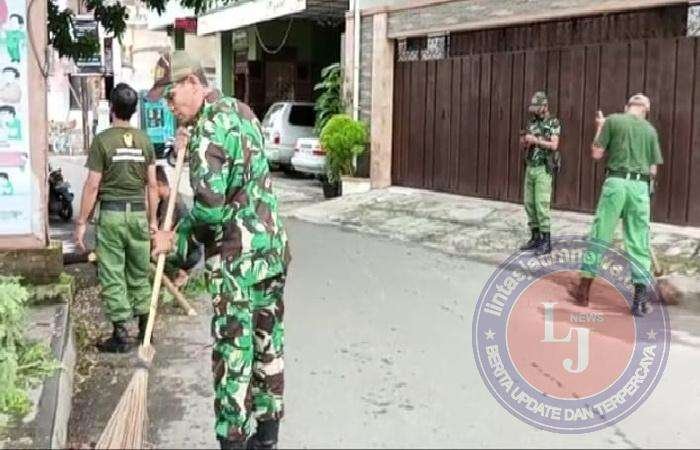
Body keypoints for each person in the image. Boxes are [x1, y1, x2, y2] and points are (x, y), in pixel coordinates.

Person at [150, 51, 290, 450]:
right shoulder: (241, 111)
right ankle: (267, 438)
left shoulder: (207, 131)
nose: (168, 105)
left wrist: (175, 239)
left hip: (236, 261)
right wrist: (186, 143)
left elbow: (210, 213)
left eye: (171, 94)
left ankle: (233, 440)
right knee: (267, 345)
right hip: (271, 252)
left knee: (233, 358)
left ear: (193, 83)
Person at [74, 82, 159, 352]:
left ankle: (121, 335)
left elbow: (92, 185)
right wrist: (153, 221)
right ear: (134, 110)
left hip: (111, 215)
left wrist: (82, 222)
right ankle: (146, 330)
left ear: (111, 108)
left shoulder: (102, 141)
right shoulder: (144, 141)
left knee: (112, 273)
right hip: (138, 215)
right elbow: (153, 186)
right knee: (139, 271)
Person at [572, 93, 663, 316]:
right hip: (640, 187)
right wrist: (645, 192)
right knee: (638, 240)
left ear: (626, 106)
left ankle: (584, 290)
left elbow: (596, 153)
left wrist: (599, 127)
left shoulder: (612, 121)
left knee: (600, 234)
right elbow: (653, 169)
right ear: (646, 110)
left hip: (616, 183)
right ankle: (639, 300)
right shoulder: (650, 131)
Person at [519, 91, 561, 255]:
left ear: (545, 106)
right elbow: (523, 144)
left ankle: (546, 241)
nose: (535, 111)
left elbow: (554, 145)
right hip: (530, 166)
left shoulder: (553, 122)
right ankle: (535, 237)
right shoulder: (531, 122)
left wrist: (536, 140)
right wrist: (525, 142)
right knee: (529, 203)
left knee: (541, 204)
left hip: (543, 168)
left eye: (537, 107)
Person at [155, 165, 201, 287]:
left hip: (187, 251)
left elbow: (164, 231)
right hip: (186, 248)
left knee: (150, 249)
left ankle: (177, 274)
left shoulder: (171, 202)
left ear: (159, 184)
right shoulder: (166, 201)